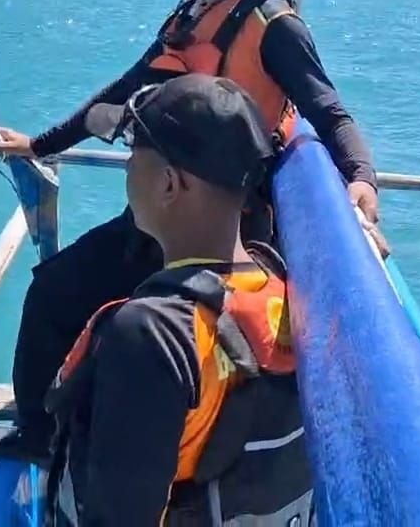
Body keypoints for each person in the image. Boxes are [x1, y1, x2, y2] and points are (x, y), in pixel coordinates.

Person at [0, 0, 380, 463]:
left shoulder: (274, 27)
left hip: (224, 226)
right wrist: (39, 144)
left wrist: (361, 179)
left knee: (62, 296)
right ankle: (44, 429)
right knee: (54, 292)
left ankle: (54, 435)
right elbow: (126, 86)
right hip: (162, 207)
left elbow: (330, 111)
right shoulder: (192, 11)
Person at [41, 74, 313, 525]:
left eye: (133, 154)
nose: (127, 169)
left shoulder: (152, 334)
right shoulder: (283, 295)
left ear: (169, 184)